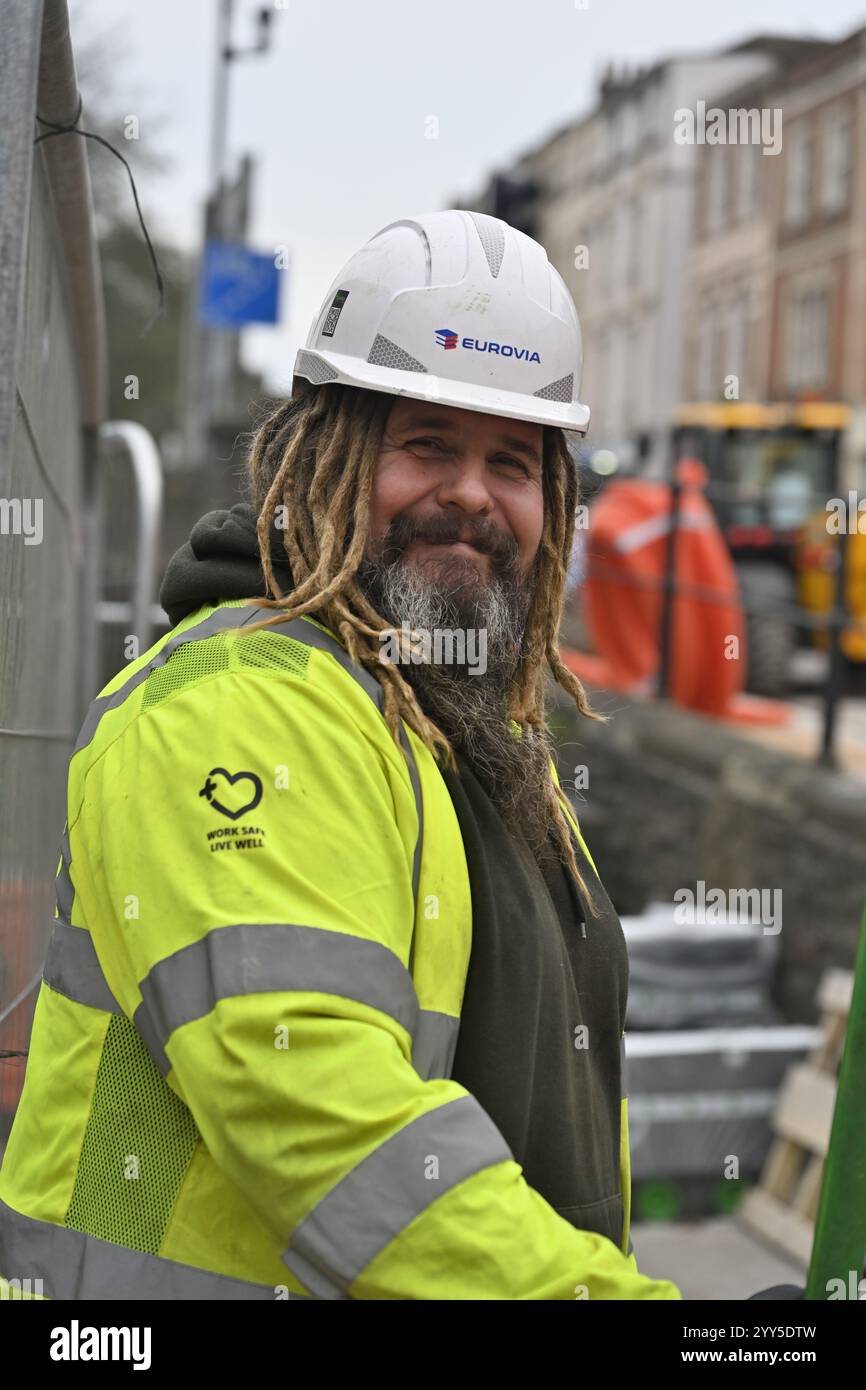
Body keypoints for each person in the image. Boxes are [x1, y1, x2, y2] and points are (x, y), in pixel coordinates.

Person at [0, 209, 681, 1300]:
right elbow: (313, 1104)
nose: (470, 491)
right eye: (424, 444)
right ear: (325, 455)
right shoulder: (236, 707)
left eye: (511, 460)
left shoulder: (475, 738)